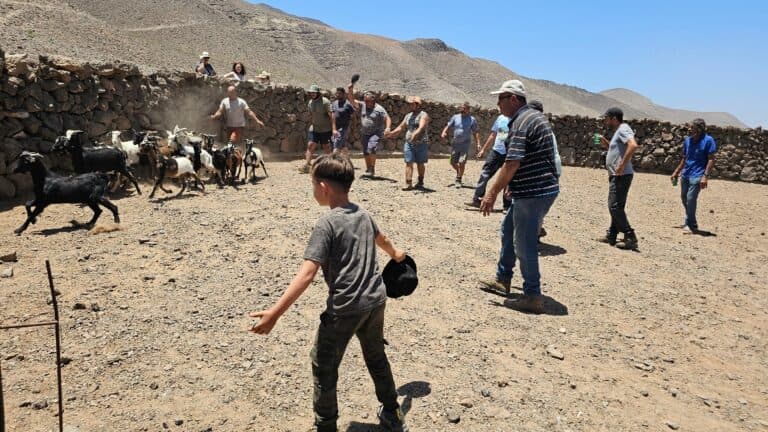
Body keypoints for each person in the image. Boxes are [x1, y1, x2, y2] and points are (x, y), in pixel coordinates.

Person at [249, 154, 410, 432]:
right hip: (375, 301)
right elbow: (381, 239)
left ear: (323, 187)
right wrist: (396, 255)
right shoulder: (362, 214)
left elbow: (307, 273)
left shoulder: (327, 224)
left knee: (323, 364)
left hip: (345, 309)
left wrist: (275, 314)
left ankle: (326, 426)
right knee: (375, 356)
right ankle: (393, 413)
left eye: (312, 184)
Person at [479, 80, 559, 314]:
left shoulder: (522, 122)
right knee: (508, 230)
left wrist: (491, 192)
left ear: (513, 99)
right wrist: (513, 184)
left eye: (501, 98)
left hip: (534, 192)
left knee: (524, 243)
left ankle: (532, 295)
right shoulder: (532, 117)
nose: (497, 103)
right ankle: (503, 279)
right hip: (534, 188)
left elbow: (512, 162)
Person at [595, 107, 639, 250]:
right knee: (617, 206)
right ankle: (612, 235)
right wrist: (606, 143)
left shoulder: (623, 128)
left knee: (614, 206)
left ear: (613, 118)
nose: (605, 121)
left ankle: (630, 235)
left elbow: (633, 145)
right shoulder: (618, 132)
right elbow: (617, 150)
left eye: (606, 118)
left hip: (621, 175)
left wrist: (621, 165)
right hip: (617, 175)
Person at [671, 118, 716, 234]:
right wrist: (676, 172)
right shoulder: (687, 141)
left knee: (691, 198)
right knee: (684, 198)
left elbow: (711, 159)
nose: (689, 129)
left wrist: (705, 176)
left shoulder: (708, 140)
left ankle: (690, 225)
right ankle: (691, 221)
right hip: (686, 174)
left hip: (698, 175)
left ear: (699, 129)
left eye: (692, 127)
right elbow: (685, 158)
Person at [528, 100, 562, 240]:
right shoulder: (544, 127)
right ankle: (537, 229)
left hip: (547, 169)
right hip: (553, 167)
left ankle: (533, 235)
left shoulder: (537, 127)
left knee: (534, 202)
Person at [467, 113, 511, 210]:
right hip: (496, 151)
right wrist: (483, 149)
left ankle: (507, 206)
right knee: (485, 173)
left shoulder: (517, 118)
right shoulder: (500, 118)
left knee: (507, 179)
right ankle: (477, 199)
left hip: (510, 153)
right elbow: (493, 134)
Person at [386, 96, 430, 191]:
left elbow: (421, 127)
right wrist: (391, 133)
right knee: (408, 162)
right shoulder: (408, 116)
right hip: (409, 143)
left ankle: (420, 181)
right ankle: (408, 182)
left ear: (417, 105)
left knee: (420, 163)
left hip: (421, 143)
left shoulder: (423, 115)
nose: (410, 106)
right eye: (409, 104)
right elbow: (401, 127)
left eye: (412, 104)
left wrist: (415, 133)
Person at [347, 85, 391, 177]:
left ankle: (372, 168)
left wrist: (387, 128)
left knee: (371, 148)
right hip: (365, 133)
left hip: (376, 132)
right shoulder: (363, 105)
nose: (365, 102)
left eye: (367, 101)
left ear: (373, 100)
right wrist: (350, 90)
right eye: (365, 100)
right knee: (366, 151)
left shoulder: (379, 109)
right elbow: (351, 100)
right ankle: (368, 169)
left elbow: (387, 118)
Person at [441, 102, 480, 188]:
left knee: (461, 162)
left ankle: (458, 179)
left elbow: (475, 132)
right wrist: (444, 132)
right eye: (461, 109)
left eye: (464, 109)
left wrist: (478, 143)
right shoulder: (455, 117)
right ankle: (459, 172)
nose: (462, 110)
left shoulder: (472, 120)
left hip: (465, 145)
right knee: (452, 162)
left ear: (468, 109)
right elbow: (448, 125)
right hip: (455, 144)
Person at [300, 85, 337, 173]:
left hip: (325, 129)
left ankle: (330, 165)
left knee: (326, 147)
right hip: (315, 128)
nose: (312, 94)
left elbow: (332, 116)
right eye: (311, 92)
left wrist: (334, 129)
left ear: (318, 93)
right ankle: (307, 165)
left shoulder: (325, 102)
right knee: (310, 145)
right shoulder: (310, 103)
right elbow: (311, 115)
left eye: (314, 92)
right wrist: (310, 124)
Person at [331, 87, 355, 157]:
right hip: (336, 128)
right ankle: (347, 162)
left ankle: (334, 164)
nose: (338, 95)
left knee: (336, 147)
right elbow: (333, 117)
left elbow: (354, 117)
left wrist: (353, 128)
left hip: (344, 128)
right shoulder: (334, 103)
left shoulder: (348, 104)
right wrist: (334, 129)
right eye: (337, 93)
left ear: (344, 94)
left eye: (340, 93)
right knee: (343, 145)